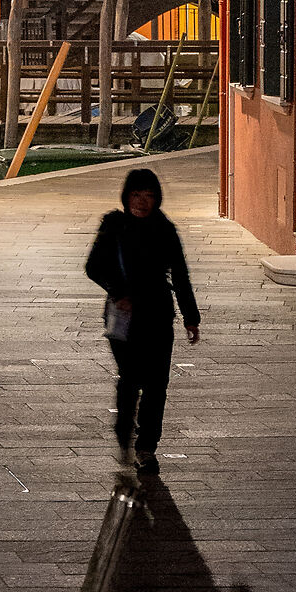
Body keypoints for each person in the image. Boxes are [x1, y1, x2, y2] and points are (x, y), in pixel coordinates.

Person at [85, 166, 200, 476]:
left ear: (157, 198)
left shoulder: (165, 230)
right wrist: (118, 291)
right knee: (131, 378)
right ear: (126, 196)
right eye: (136, 194)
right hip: (123, 318)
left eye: (149, 196)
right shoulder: (114, 225)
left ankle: (146, 447)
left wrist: (191, 317)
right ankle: (124, 432)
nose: (142, 201)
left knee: (157, 385)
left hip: (159, 315)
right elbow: (93, 266)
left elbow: (180, 274)